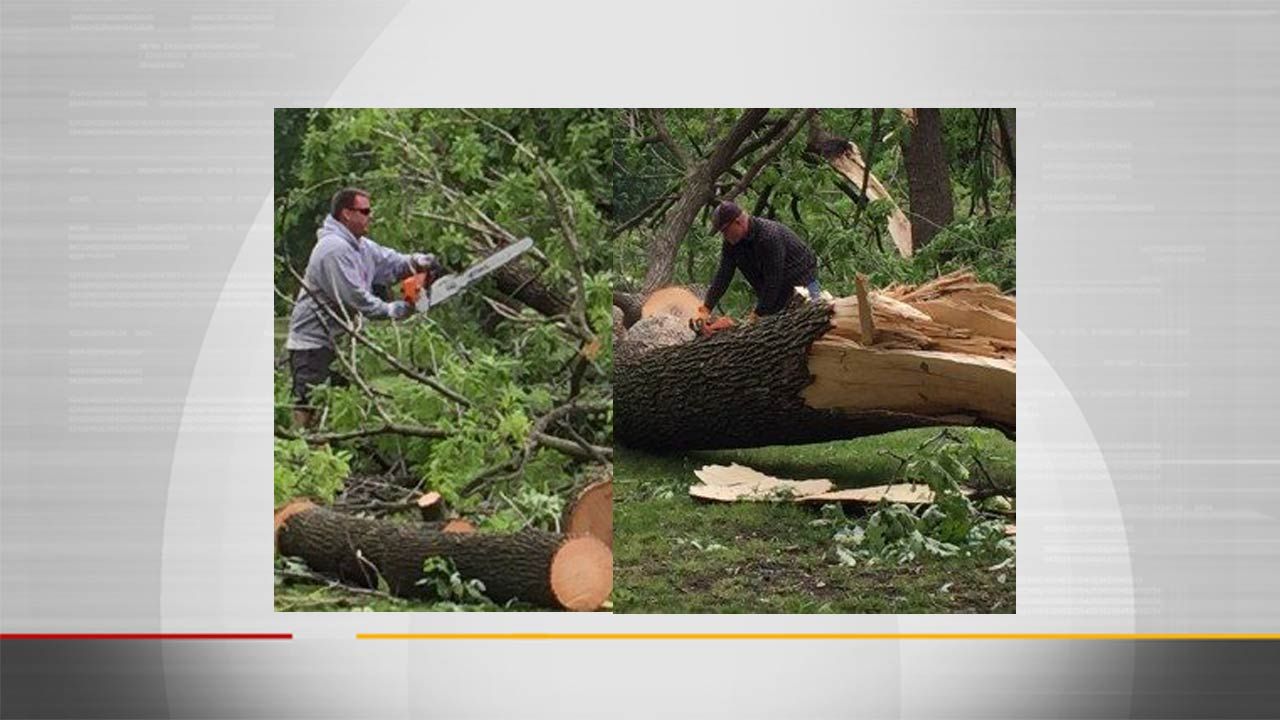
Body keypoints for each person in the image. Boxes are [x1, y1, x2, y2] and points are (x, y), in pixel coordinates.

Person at [284, 187, 442, 427]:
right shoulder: (333, 249)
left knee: (342, 409)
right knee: (310, 408)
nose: (371, 215)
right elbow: (354, 297)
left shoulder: (361, 246)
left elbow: (390, 262)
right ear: (346, 214)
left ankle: (331, 455)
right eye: (365, 211)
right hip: (313, 344)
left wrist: (417, 262)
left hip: (339, 342)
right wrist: (393, 310)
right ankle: (300, 457)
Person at [697, 201, 820, 323]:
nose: (724, 236)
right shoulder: (732, 243)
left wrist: (758, 313)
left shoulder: (768, 236)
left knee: (809, 325)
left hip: (803, 284)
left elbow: (773, 279)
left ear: (738, 222)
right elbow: (723, 274)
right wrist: (707, 307)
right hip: (775, 291)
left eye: (725, 230)